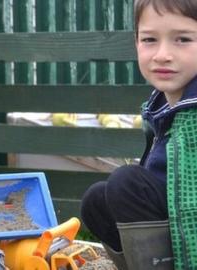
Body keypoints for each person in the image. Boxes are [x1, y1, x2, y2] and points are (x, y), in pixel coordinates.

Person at [81, 0, 197, 269]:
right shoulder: (162, 104)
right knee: (97, 200)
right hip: (170, 214)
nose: (162, 54)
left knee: (127, 181)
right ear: (136, 42)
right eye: (149, 39)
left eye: (182, 39)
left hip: (190, 227)